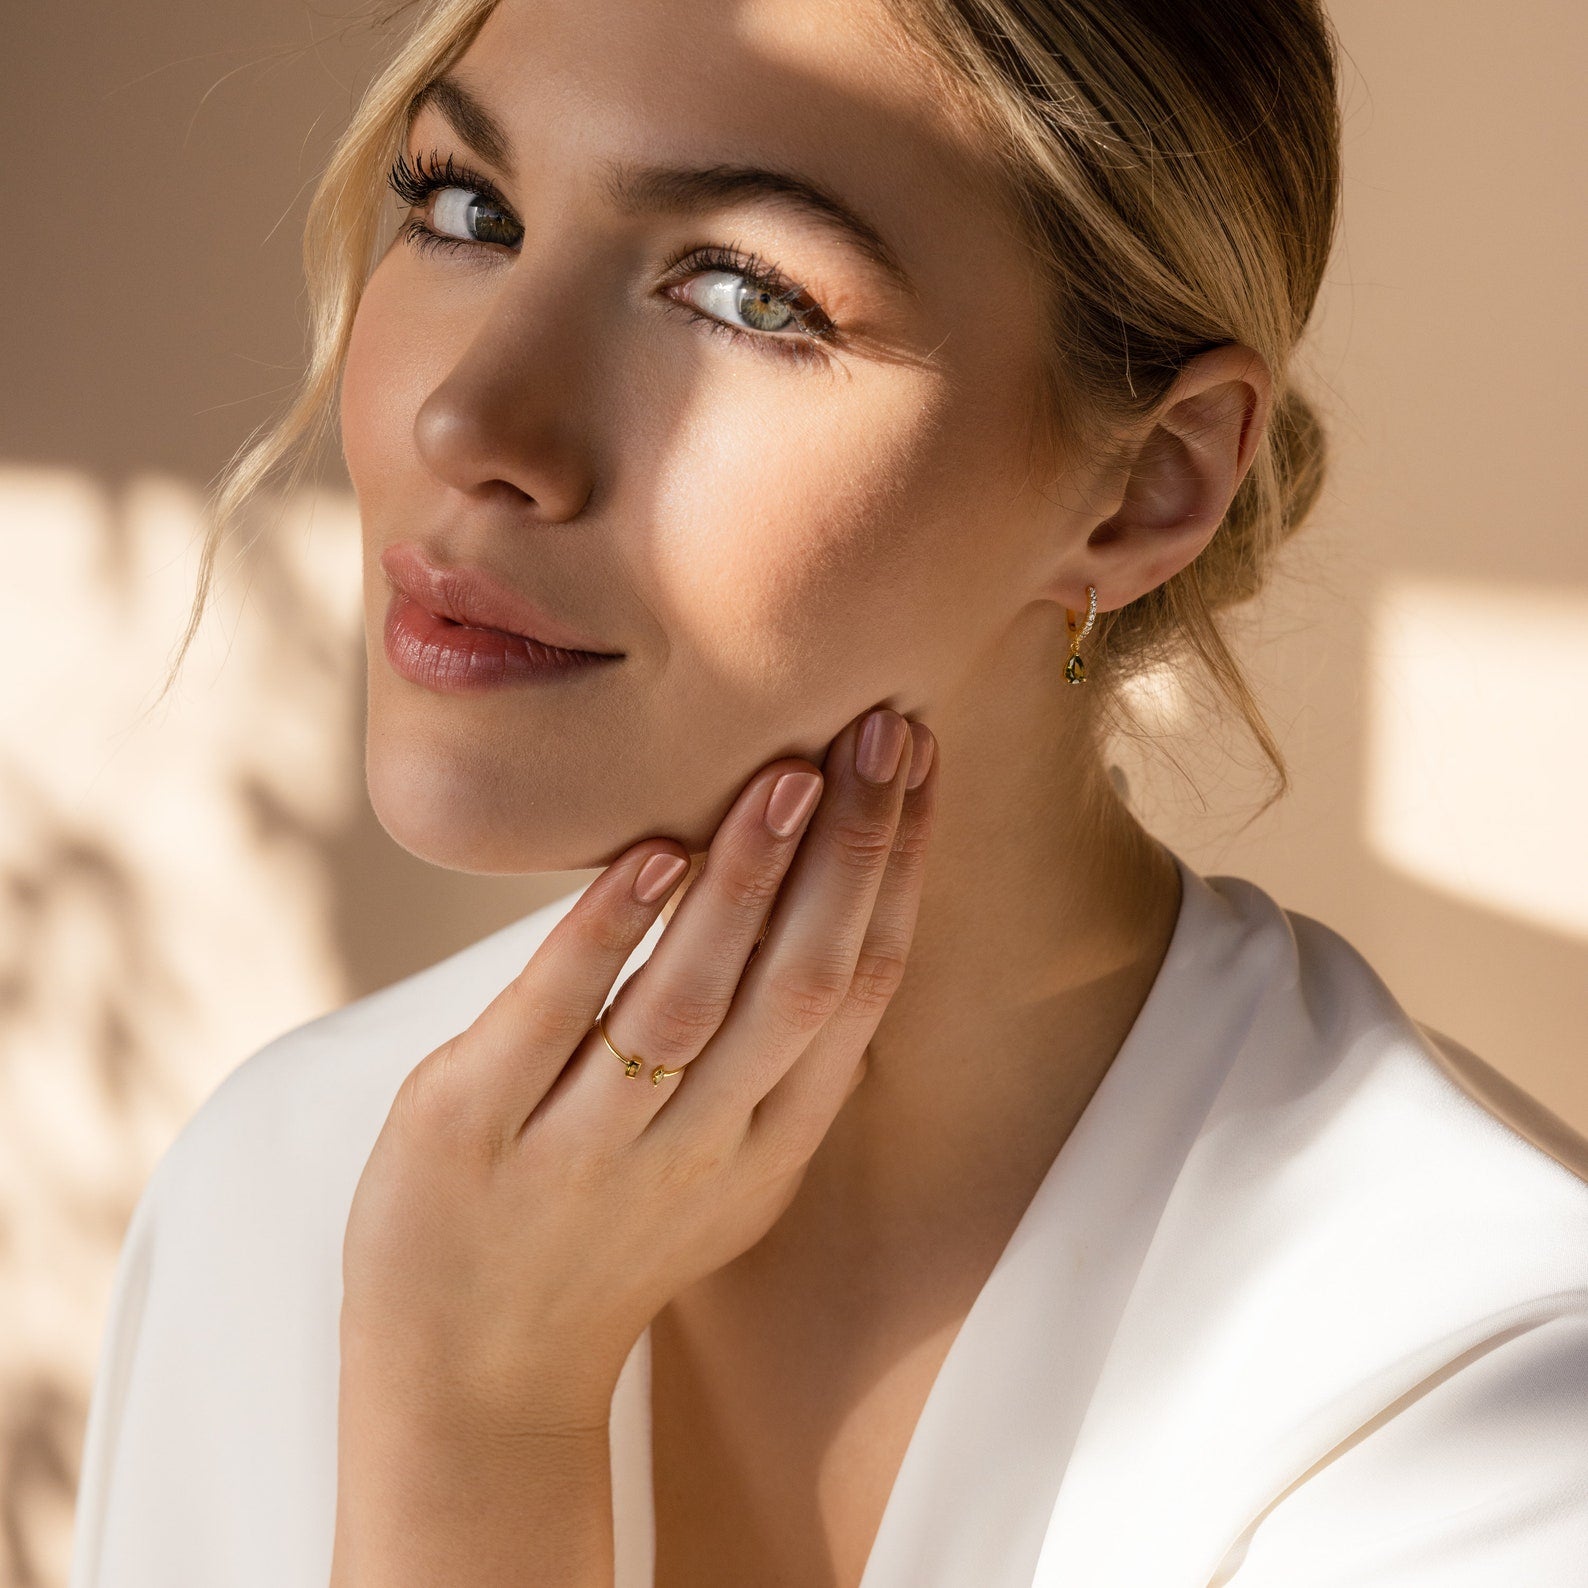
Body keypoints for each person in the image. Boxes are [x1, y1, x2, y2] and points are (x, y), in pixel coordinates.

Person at [69, 0, 1588, 1583]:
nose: (469, 420)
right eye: (467, 208)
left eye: (744, 292)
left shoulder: (1483, 1404)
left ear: (1150, 485)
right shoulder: (283, 1182)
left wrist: (476, 1434)